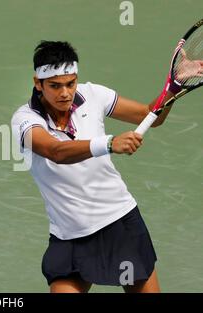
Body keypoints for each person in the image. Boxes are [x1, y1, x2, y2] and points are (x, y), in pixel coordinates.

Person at [11, 41, 179, 293]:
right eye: (55, 86)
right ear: (38, 83)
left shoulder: (94, 95)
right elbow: (54, 151)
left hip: (119, 222)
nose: (65, 93)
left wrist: (174, 87)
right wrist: (109, 143)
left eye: (70, 84)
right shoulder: (24, 119)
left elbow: (150, 116)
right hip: (69, 236)